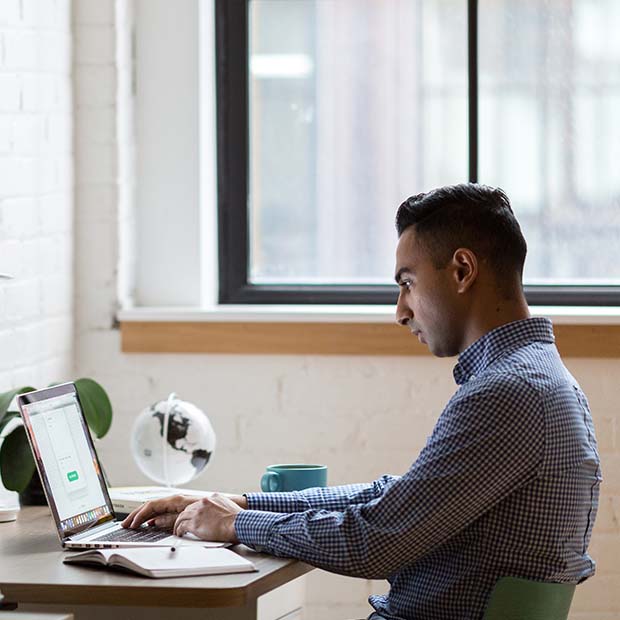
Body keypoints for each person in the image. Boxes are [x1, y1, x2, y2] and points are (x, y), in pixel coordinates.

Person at [123, 184, 601, 620]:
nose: (400, 311)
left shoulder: (508, 394)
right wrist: (242, 504)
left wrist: (239, 525)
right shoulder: (537, 380)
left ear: (462, 270)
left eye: (407, 282)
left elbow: (377, 540)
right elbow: (396, 498)